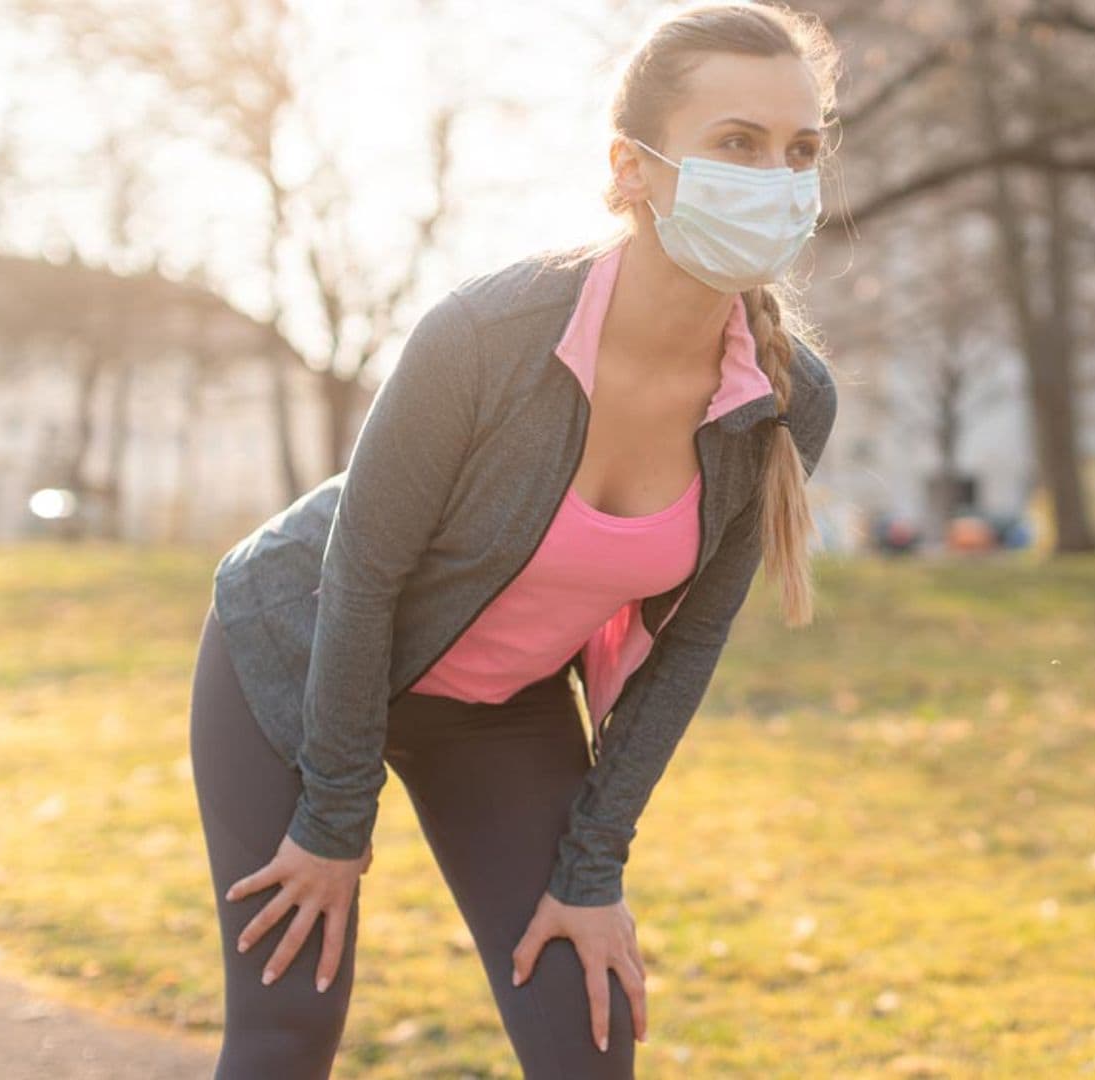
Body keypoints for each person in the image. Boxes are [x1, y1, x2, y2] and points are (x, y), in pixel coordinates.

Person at [186, 4, 843, 1075]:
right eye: (737, 143)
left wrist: (594, 870)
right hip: (299, 651)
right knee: (289, 1020)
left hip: (494, 709)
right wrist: (334, 824)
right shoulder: (487, 335)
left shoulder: (782, 400)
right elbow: (362, 573)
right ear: (633, 168)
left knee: (588, 1032)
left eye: (800, 151)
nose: (776, 178)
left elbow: (686, 650)